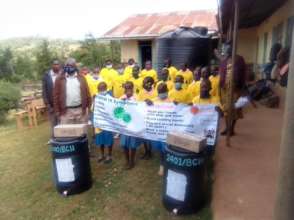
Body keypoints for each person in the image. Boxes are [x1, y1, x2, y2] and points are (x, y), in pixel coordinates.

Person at [217, 43, 246, 136]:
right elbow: (221, 73)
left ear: (231, 49)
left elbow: (243, 74)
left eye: (226, 49)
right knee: (226, 109)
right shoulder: (224, 60)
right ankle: (227, 128)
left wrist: (240, 86)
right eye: (223, 48)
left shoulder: (239, 59)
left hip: (235, 89)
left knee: (234, 109)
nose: (224, 50)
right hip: (224, 89)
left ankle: (231, 129)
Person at [53, 58, 91, 124]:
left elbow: (87, 93)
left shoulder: (81, 78)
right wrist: (57, 112)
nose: (69, 67)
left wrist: (89, 108)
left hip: (81, 110)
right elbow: (55, 96)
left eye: (71, 65)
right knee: (67, 133)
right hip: (66, 112)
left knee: (82, 133)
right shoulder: (59, 79)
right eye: (67, 66)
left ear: (75, 66)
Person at [120, 81, 142, 169]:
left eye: (129, 87)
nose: (127, 89)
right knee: (124, 144)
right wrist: (122, 103)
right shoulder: (122, 97)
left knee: (132, 144)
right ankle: (127, 160)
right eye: (126, 88)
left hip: (133, 124)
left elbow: (140, 110)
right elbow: (117, 109)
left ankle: (132, 161)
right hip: (124, 124)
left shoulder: (137, 97)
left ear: (132, 88)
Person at [151, 83, 171, 175]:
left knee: (166, 148)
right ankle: (163, 163)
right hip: (157, 129)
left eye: (163, 91)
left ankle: (165, 165)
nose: (161, 93)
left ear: (167, 91)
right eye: (159, 92)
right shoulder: (154, 100)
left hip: (167, 129)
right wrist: (147, 103)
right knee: (160, 149)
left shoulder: (171, 101)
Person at [137, 76, 157, 159]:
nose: (144, 85)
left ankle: (150, 152)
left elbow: (159, 103)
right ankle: (146, 151)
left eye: (146, 83)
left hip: (152, 117)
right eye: (143, 83)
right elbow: (138, 103)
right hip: (143, 116)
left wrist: (152, 102)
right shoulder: (141, 92)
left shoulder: (156, 92)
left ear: (151, 84)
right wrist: (143, 102)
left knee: (150, 135)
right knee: (144, 135)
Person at [94, 81, 114, 164]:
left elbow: (113, 109)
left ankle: (109, 155)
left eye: (102, 88)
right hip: (99, 123)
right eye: (99, 89)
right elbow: (93, 109)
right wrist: (93, 100)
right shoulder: (96, 98)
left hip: (108, 124)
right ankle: (101, 154)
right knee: (100, 140)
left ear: (106, 88)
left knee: (109, 139)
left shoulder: (110, 98)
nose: (101, 90)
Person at [42, 60, 61, 137]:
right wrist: (47, 104)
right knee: (53, 123)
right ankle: (54, 139)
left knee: (62, 122)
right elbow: (44, 91)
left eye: (58, 64)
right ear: (52, 65)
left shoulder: (62, 74)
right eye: (55, 64)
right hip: (51, 105)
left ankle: (63, 139)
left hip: (61, 104)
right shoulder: (47, 76)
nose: (56, 66)